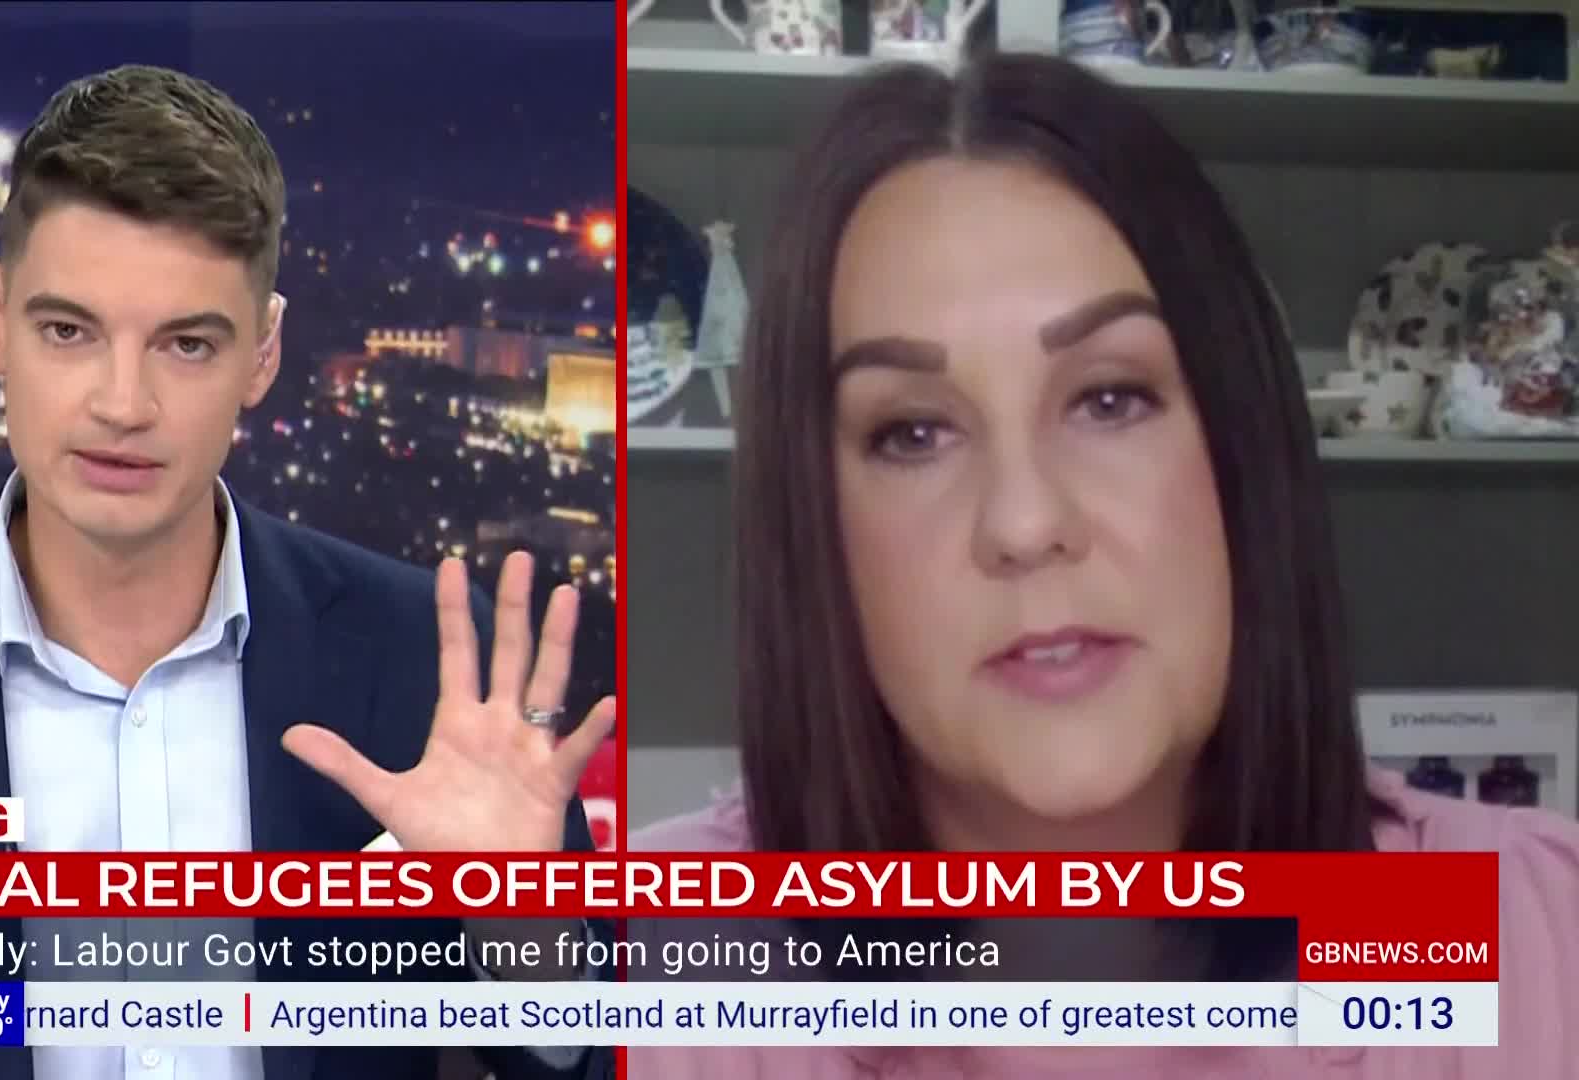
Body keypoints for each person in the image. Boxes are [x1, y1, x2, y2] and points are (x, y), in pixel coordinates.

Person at [0, 65, 615, 1080]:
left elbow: (575, 1059)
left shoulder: (419, 664)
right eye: (68, 331)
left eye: (187, 345)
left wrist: (526, 930)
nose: (124, 403)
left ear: (263, 353)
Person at [630, 54, 1579, 1076]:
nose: (1026, 522)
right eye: (912, 433)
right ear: (815, 525)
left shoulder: (1532, 945)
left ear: (1241, 448)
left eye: (1110, 399)